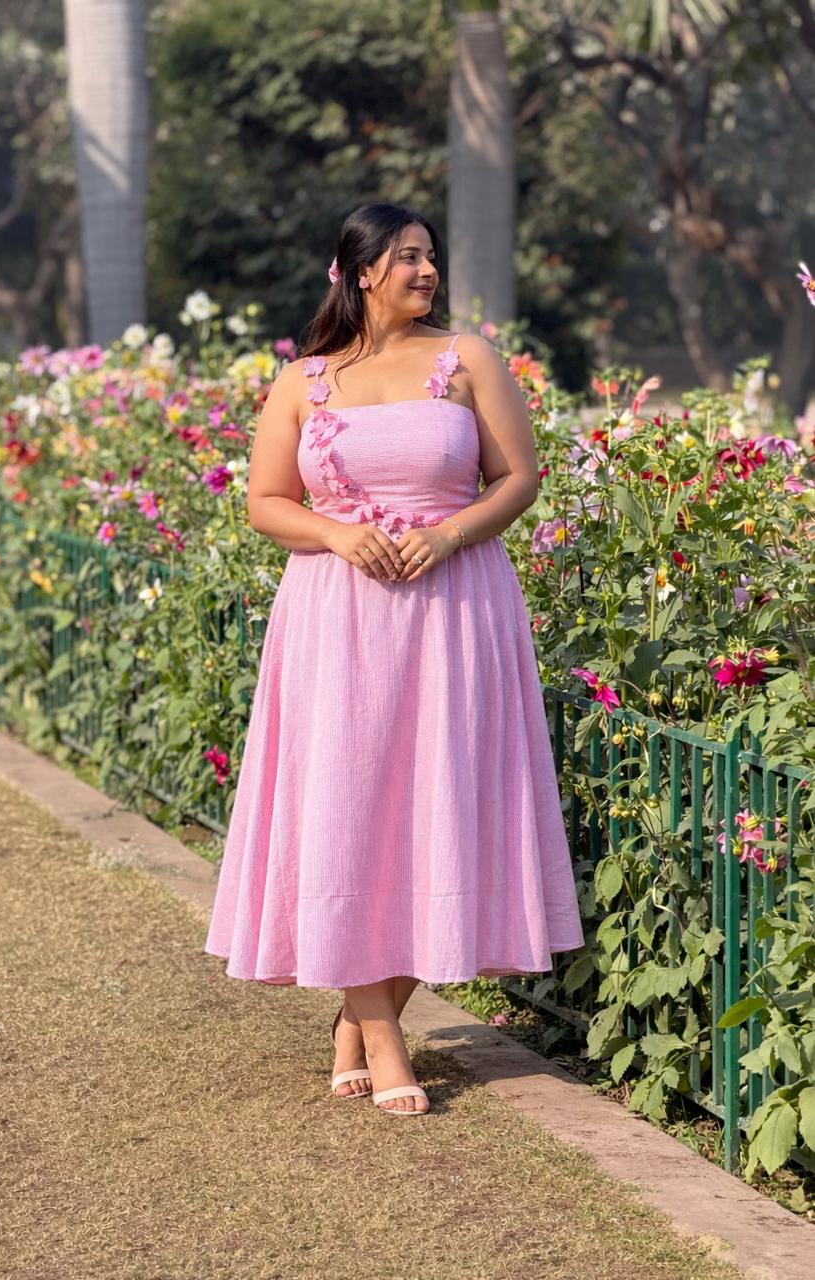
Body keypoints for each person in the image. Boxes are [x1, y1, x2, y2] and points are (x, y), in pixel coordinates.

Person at [204, 201, 585, 1117]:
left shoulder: (470, 362)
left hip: (457, 613)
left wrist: (450, 534)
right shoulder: (306, 381)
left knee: (436, 813)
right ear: (360, 270)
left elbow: (520, 478)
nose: (425, 270)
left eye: (430, 256)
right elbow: (264, 502)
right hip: (335, 622)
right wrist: (336, 535)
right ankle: (382, 1036)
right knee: (347, 812)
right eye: (406, 257)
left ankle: (357, 1023)